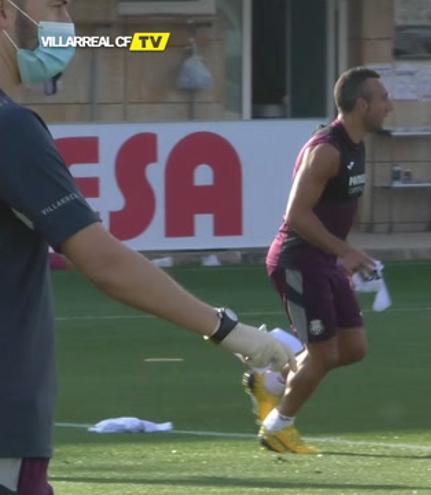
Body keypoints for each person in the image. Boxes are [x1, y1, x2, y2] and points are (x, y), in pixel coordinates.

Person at [0, 1, 296, 493]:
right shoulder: (10, 130)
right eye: (54, 4)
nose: (65, 20)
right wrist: (228, 331)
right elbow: (103, 260)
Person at [243, 66, 393, 454]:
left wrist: (342, 255)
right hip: (298, 261)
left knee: (353, 347)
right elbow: (296, 215)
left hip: (324, 260)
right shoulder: (327, 149)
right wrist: (344, 251)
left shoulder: (355, 144)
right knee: (324, 353)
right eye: (383, 99)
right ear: (362, 105)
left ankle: (271, 380)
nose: (389, 106)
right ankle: (278, 426)